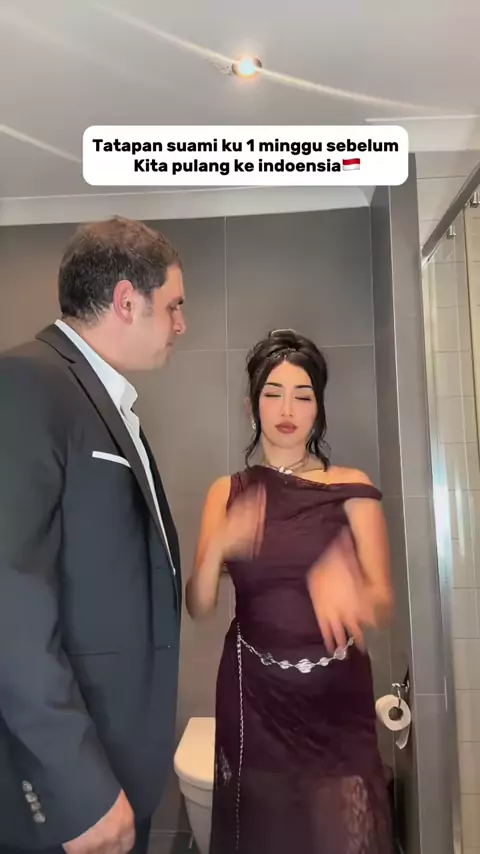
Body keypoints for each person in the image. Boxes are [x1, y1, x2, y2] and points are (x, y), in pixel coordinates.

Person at [0, 217, 186, 854]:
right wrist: (78, 783)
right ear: (127, 301)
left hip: (115, 760)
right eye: (174, 306)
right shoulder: (26, 383)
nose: (181, 325)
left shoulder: (99, 400)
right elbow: (8, 595)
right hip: (66, 790)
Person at [186, 328, 395, 854]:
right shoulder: (227, 492)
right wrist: (216, 549)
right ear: (252, 405)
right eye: (273, 393)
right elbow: (199, 605)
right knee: (267, 837)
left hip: (335, 702)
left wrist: (357, 595)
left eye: (302, 396)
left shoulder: (352, 488)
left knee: (349, 834)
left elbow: (383, 600)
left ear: (318, 408)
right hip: (255, 700)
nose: (287, 409)